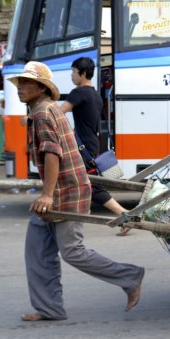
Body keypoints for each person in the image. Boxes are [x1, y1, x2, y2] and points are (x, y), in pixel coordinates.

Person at [8, 61, 144, 321]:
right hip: (62, 188)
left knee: (72, 250)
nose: (20, 88)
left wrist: (47, 195)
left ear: (41, 88)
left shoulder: (43, 113)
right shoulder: (43, 109)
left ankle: (129, 276)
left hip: (67, 191)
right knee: (37, 245)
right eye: (20, 83)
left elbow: (51, 153)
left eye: (26, 83)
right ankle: (50, 308)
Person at [59, 56, 129, 234]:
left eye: (74, 72)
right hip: (92, 145)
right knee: (81, 181)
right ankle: (76, 212)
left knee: (93, 185)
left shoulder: (78, 93)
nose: (71, 76)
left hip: (82, 149)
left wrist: (31, 116)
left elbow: (58, 113)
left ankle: (125, 216)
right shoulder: (96, 95)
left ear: (82, 73)